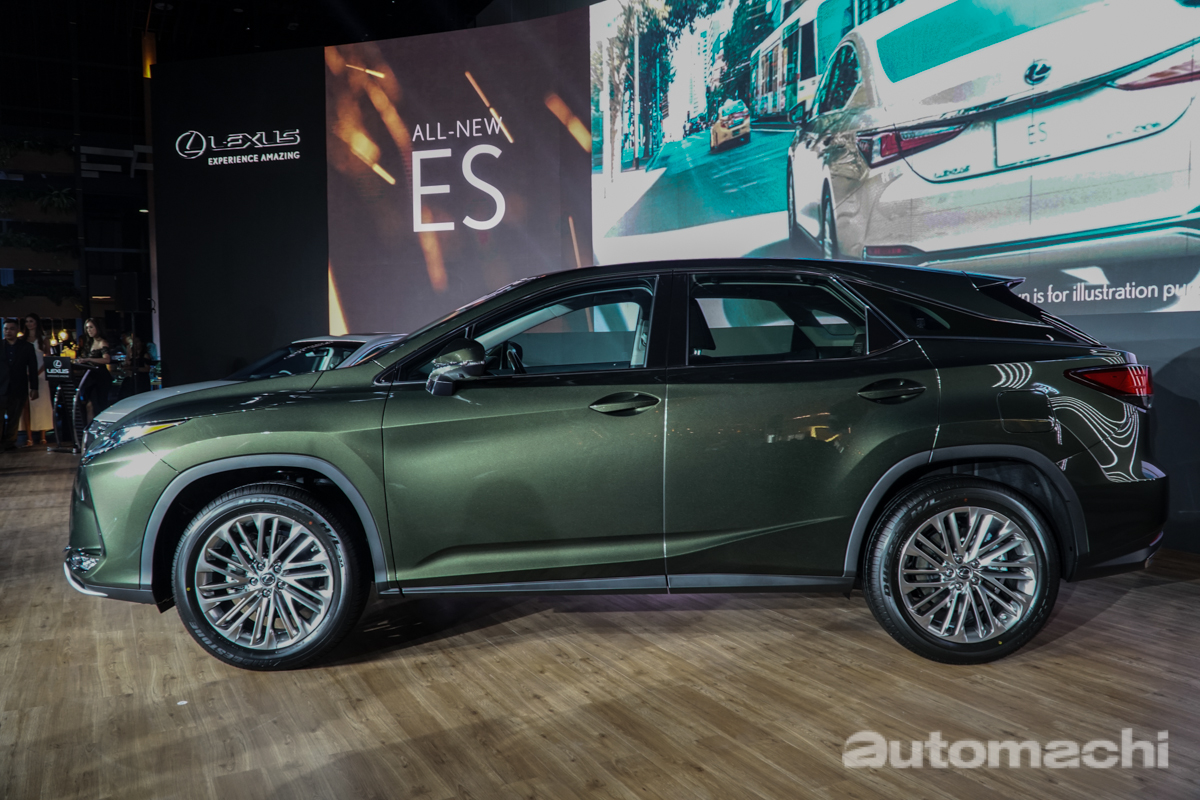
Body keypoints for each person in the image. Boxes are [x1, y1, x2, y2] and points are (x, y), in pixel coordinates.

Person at [1, 319, 39, 451]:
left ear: (17, 330)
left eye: (11, 329)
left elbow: (32, 368)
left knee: (14, 417)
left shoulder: (26, 347)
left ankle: (10, 443)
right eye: (6, 329)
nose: (8, 331)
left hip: (18, 387)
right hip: (1, 386)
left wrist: (34, 387)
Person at [21, 313, 53, 446]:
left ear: (36, 323)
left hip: (41, 374)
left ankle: (43, 435)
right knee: (27, 405)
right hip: (25, 373)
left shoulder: (44, 339)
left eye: (31, 321)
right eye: (27, 321)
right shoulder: (22, 339)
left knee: (41, 404)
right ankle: (29, 437)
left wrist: (37, 372)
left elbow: (48, 358)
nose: (29, 324)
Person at [74, 317, 113, 422]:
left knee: (97, 406)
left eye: (91, 327)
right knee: (89, 405)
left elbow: (107, 359)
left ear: (97, 328)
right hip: (90, 378)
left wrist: (89, 359)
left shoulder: (102, 342)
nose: (89, 330)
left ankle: (99, 427)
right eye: (87, 328)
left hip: (100, 378)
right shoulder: (89, 343)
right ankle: (89, 429)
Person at [118, 332, 154, 399]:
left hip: (141, 380)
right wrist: (128, 353)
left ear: (141, 343)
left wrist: (134, 368)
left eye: (137, 342)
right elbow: (127, 363)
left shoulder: (145, 355)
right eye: (134, 342)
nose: (135, 344)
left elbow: (147, 369)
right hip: (132, 379)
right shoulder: (133, 355)